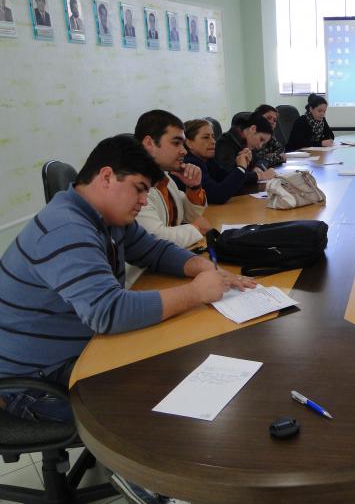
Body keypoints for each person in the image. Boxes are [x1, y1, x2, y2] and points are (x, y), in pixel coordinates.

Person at [0, 135, 256, 411]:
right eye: (139, 189)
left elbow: (154, 251)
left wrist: (205, 268)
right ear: (107, 177)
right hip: (36, 380)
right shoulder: (66, 229)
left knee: (183, 360)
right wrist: (196, 292)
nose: (145, 202)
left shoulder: (104, 216)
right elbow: (108, 312)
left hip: (85, 349)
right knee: (169, 402)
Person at [134, 110, 210, 248]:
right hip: (145, 269)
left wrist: (193, 187)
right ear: (149, 143)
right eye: (176, 143)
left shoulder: (164, 176)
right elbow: (155, 238)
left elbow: (189, 216)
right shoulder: (133, 183)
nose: (184, 151)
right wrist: (196, 228)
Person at [175, 119, 251, 204]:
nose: (213, 141)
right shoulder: (190, 163)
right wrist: (241, 168)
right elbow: (217, 196)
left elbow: (226, 180)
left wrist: (241, 163)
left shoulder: (208, 161)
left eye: (213, 137)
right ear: (189, 143)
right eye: (206, 137)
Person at [215, 112, 276, 183]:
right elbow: (229, 176)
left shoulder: (245, 142)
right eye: (261, 139)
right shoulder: (224, 143)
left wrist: (258, 167)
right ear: (253, 129)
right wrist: (260, 176)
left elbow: (262, 159)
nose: (260, 146)